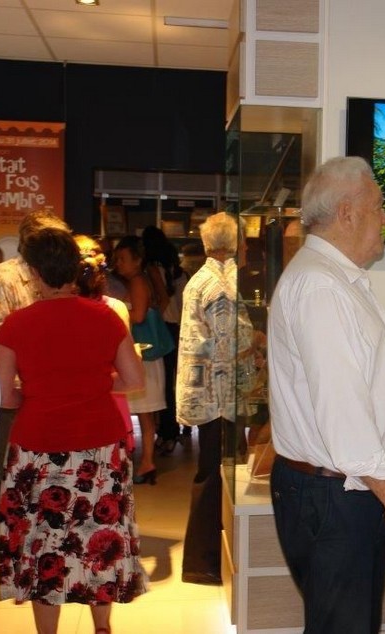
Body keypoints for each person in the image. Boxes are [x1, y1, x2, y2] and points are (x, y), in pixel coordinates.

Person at [267, 157, 385, 633]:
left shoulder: (332, 279)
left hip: (338, 489)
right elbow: (343, 412)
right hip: (336, 494)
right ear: (347, 213)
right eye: (379, 206)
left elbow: (353, 361)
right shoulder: (322, 288)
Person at [0, 228, 148, 634]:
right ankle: (102, 627)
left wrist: (37, 391)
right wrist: (93, 383)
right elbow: (134, 380)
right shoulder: (106, 317)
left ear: (33, 272)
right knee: (100, 533)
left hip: (37, 444)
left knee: (42, 541)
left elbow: (3, 395)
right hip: (100, 444)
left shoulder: (15, 324)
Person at [0, 211, 71, 538]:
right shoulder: (2, 279)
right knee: (3, 467)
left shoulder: (50, 277)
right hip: (11, 391)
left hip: (43, 391)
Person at [176, 212, 256, 585]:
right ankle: (204, 561)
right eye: (245, 242)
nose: (247, 249)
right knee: (217, 479)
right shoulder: (221, 284)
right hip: (220, 397)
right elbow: (228, 343)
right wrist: (260, 339)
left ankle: (206, 560)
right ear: (235, 245)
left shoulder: (202, 279)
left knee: (212, 475)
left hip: (210, 395)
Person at [113, 236, 170, 484]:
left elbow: (137, 316)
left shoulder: (137, 281)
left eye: (123, 259)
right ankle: (147, 461)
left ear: (136, 261)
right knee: (146, 414)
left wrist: (116, 310)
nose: (119, 264)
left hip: (143, 354)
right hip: (144, 354)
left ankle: (146, 461)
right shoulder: (143, 279)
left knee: (145, 413)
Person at [141, 226, 187, 453]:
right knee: (171, 381)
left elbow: (163, 299)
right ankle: (173, 429)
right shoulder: (177, 270)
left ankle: (168, 431)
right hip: (177, 327)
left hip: (164, 327)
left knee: (162, 383)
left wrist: (153, 317)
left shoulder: (152, 268)